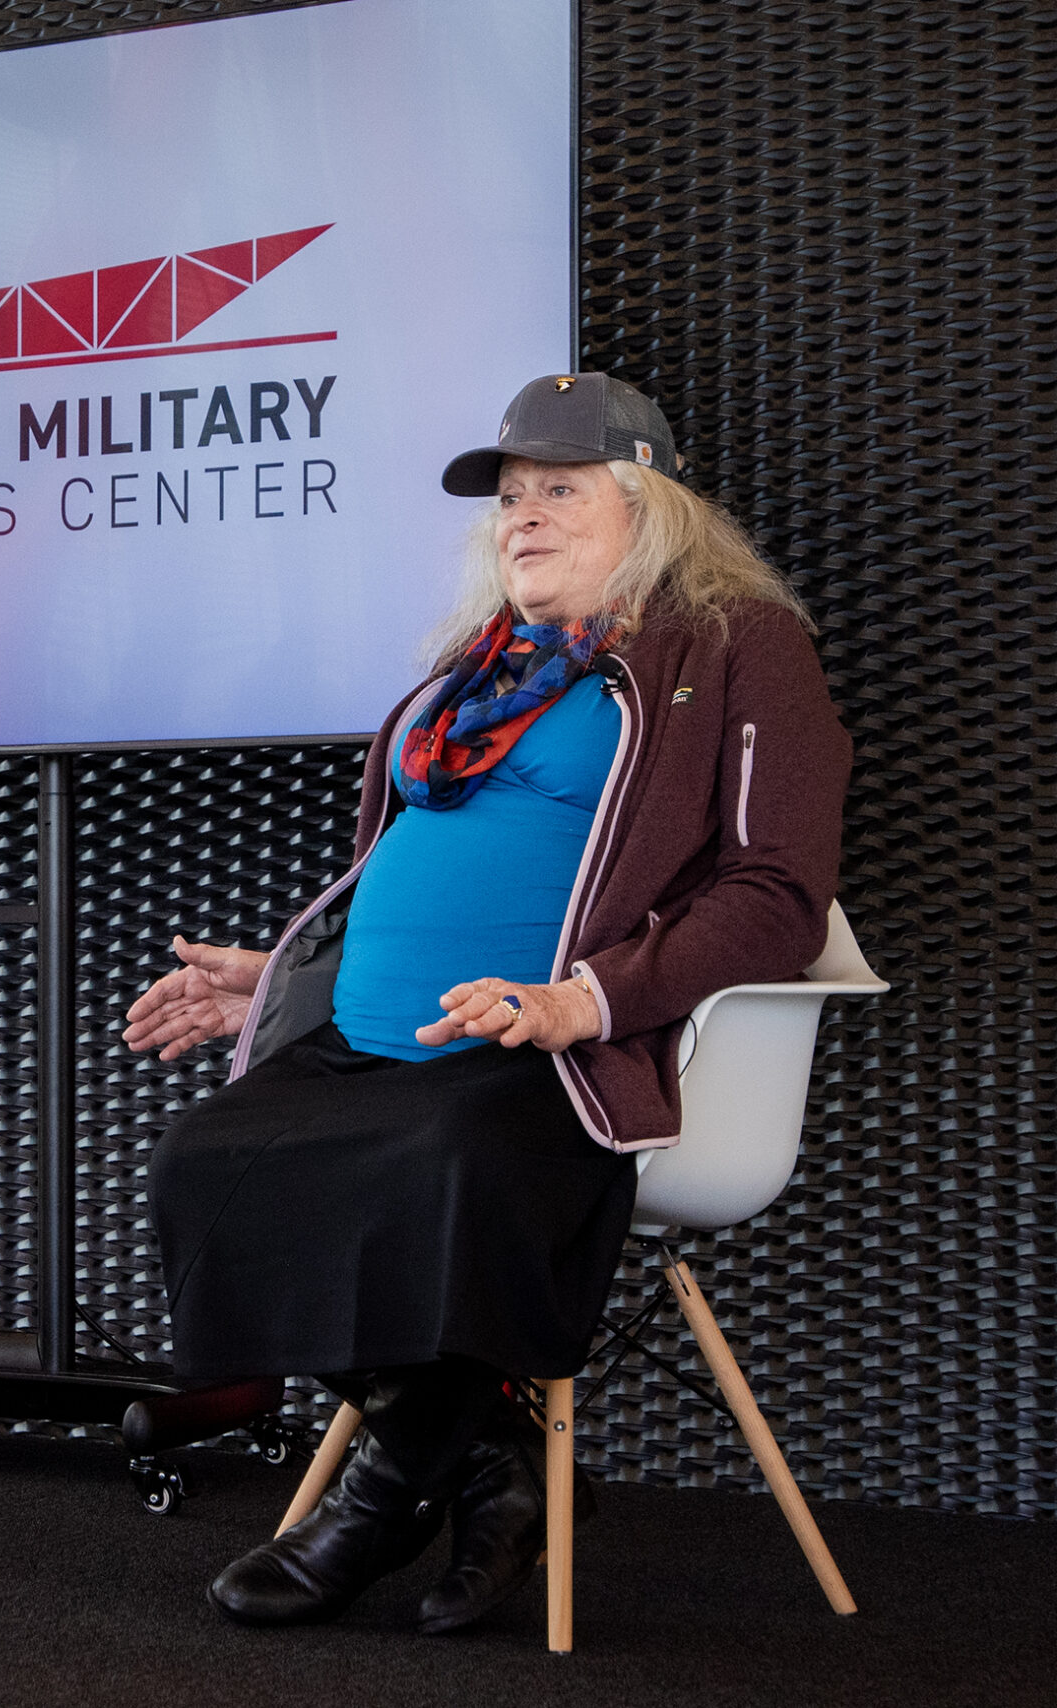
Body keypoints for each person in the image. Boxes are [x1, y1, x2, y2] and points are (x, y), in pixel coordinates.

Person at [123, 374, 848, 1633]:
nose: (522, 516)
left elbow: (778, 891)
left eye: (559, 489)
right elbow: (405, 867)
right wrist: (287, 972)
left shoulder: (735, 646)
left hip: (564, 1049)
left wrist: (582, 1000)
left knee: (447, 1155)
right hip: (379, 1033)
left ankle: (375, 1502)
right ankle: (485, 1457)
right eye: (510, 496)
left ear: (652, 506)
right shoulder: (484, 666)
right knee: (209, 1161)